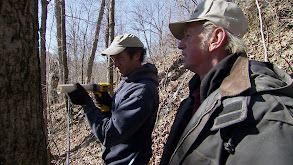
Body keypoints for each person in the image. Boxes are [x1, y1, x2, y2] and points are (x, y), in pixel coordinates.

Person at [160, 0, 293, 165]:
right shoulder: (195, 98)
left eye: (188, 36)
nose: (180, 45)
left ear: (216, 39)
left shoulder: (262, 108)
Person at [68, 33, 159, 165]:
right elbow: (121, 119)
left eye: (120, 58)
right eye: (113, 59)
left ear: (137, 55)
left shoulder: (142, 91)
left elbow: (110, 134)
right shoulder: (128, 81)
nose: (115, 64)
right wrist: (108, 104)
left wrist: (87, 104)